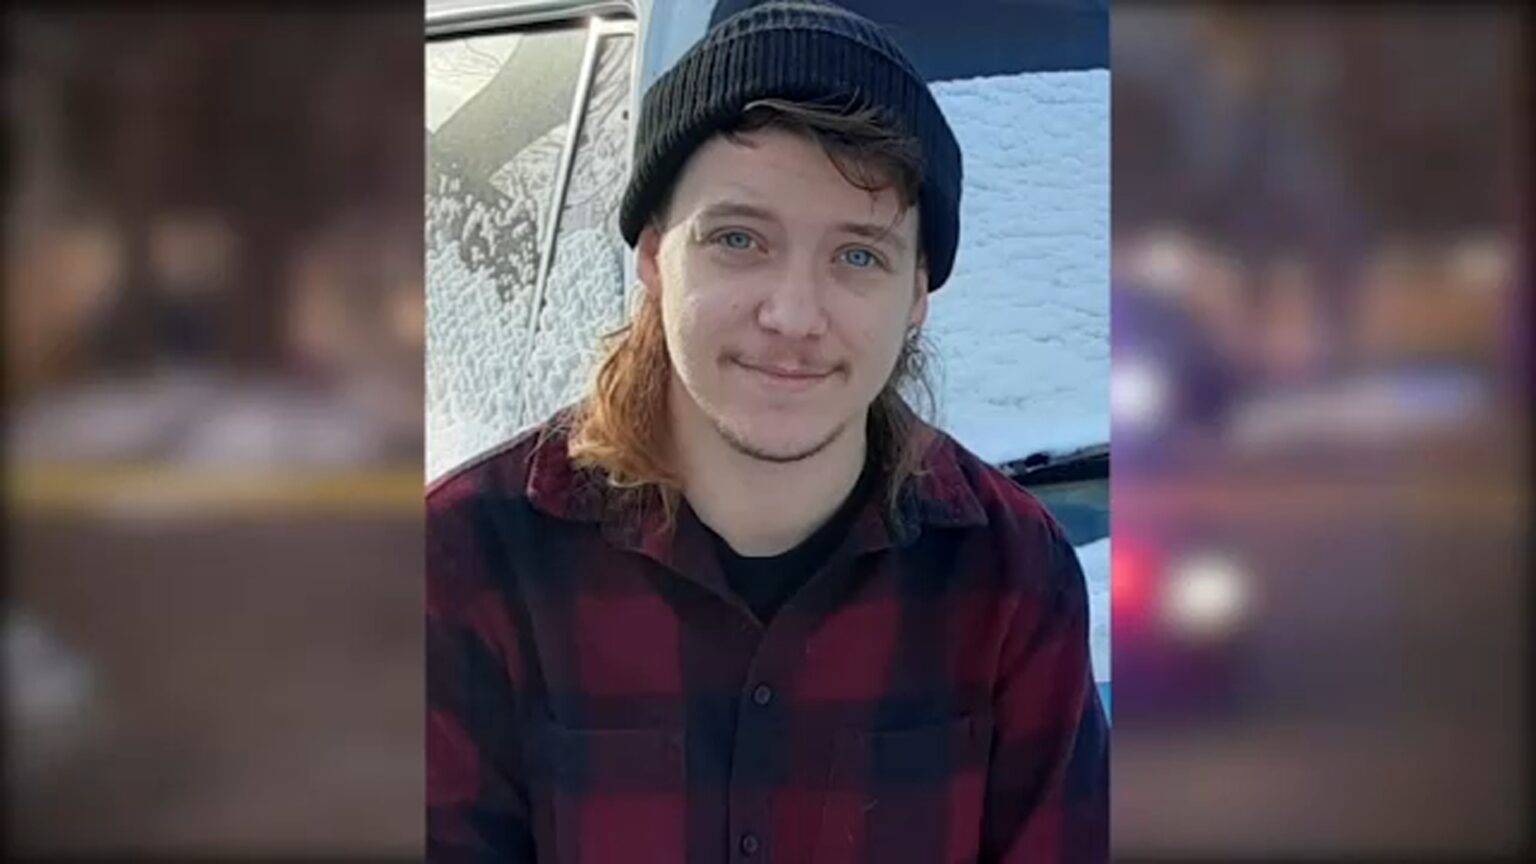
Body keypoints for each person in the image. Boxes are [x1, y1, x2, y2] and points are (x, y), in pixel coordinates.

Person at [427, 2, 1107, 861]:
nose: (793, 315)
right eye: (740, 239)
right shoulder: (468, 564)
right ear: (653, 256)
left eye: (858, 255)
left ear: (917, 295)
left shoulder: (1013, 581)